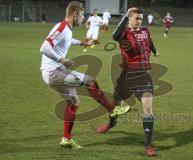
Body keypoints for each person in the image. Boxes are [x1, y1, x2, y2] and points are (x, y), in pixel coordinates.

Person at [40, 1, 130, 149]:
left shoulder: (66, 29)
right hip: (53, 71)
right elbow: (44, 48)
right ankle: (113, 110)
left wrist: (84, 43)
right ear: (75, 14)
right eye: (82, 15)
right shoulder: (62, 27)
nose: (83, 19)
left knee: (74, 102)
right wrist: (61, 59)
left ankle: (66, 140)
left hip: (56, 71)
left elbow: (68, 41)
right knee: (90, 81)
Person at [96, 7, 159, 156]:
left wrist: (155, 51)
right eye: (136, 18)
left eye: (141, 19)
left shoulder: (144, 30)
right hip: (127, 74)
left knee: (148, 108)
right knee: (116, 106)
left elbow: (149, 41)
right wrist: (125, 16)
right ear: (130, 18)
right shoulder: (124, 33)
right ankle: (111, 124)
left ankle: (148, 145)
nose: (139, 21)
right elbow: (114, 35)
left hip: (144, 74)